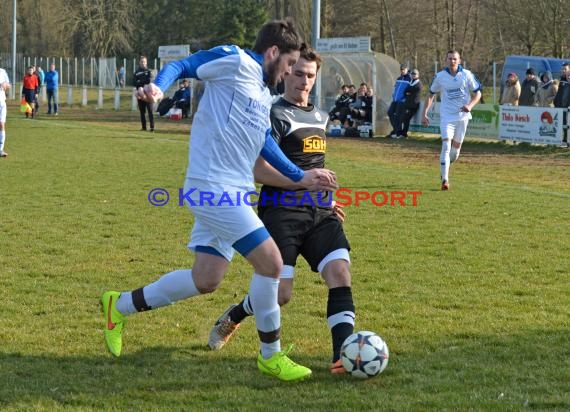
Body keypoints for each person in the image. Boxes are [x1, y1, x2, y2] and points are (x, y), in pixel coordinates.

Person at [101, 18, 338, 382]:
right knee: (272, 264)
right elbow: (183, 65)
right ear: (273, 53)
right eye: (290, 64)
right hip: (211, 188)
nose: (291, 72)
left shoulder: (262, 95)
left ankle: (118, 306)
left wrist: (299, 177)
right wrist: (158, 88)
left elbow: (264, 143)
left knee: (206, 278)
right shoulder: (235, 61)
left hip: (234, 191)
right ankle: (270, 356)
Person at [207, 44, 355, 375]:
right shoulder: (271, 114)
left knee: (340, 274)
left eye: (310, 76)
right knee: (281, 295)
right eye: (299, 73)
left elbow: (314, 165)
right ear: (286, 72)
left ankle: (343, 356)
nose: (304, 81)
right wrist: (303, 184)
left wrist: (326, 199)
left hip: (319, 214)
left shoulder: (320, 116)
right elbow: (257, 171)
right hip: (281, 214)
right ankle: (236, 314)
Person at [421, 50, 481, 190]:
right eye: (449, 59)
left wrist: (470, 106)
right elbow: (430, 95)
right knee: (446, 146)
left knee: (455, 152)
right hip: (447, 117)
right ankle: (445, 180)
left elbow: (478, 93)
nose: (452, 61)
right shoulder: (440, 77)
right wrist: (424, 113)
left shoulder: (466, 74)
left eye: (455, 59)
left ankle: (445, 166)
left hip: (463, 117)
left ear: (459, 60)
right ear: (445, 60)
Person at [386, 63, 412, 138]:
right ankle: (397, 130)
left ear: (407, 69)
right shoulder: (399, 78)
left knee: (398, 116)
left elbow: (410, 91)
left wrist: (405, 99)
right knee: (390, 113)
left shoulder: (409, 79)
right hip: (395, 100)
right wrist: (393, 96)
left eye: (404, 69)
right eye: (401, 69)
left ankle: (397, 132)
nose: (402, 70)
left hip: (402, 101)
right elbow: (395, 88)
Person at [397, 68, 423, 138]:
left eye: (415, 74)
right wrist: (408, 93)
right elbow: (405, 91)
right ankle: (402, 134)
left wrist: (409, 92)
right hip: (408, 104)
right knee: (404, 119)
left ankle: (403, 133)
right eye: (412, 74)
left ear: (418, 75)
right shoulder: (411, 82)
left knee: (405, 119)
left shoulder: (419, 84)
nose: (413, 75)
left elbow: (412, 91)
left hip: (413, 105)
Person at [134, 55, 155, 132]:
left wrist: (140, 81)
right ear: (139, 62)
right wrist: (141, 82)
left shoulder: (149, 71)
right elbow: (135, 83)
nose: (143, 63)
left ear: (146, 63)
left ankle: (152, 128)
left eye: (144, 62)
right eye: (142, 62)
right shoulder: (136, 72)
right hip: (140, 94)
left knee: (150, 111)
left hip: (148, 94)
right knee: (142, 112)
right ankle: (144, 127)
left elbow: (149, 81)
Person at [0, 62, 11, 157]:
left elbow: (9, 85)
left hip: (2, 103)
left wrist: (5, 84)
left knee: (2, 124)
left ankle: (1, 150)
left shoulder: (3, 71)